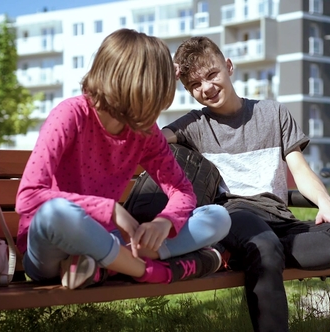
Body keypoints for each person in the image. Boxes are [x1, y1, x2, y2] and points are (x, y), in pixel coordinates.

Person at [163, 36, 330, 331]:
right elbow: (148, 142)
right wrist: (162, 77)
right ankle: (257, 253)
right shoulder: (192, 125)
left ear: (229, 67)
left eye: (211, 75)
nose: (206, 88)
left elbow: (300, 170)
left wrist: (325, 203)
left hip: (280, 222)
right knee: (262, 243)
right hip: (236, 217)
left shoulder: (274, 114)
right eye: (194, 85)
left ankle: (255, 257)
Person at [15, 29, 231, 290]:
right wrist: (110, 209)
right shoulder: (70, 115)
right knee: (57, 213)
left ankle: (103, 267)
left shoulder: (144, 131)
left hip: (109, 241)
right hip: (51, 247)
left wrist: (165, 221)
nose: (158, 107)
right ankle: (146, 270)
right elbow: (29, 196)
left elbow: (182, 190)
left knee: (217, 217)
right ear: (138, 87)